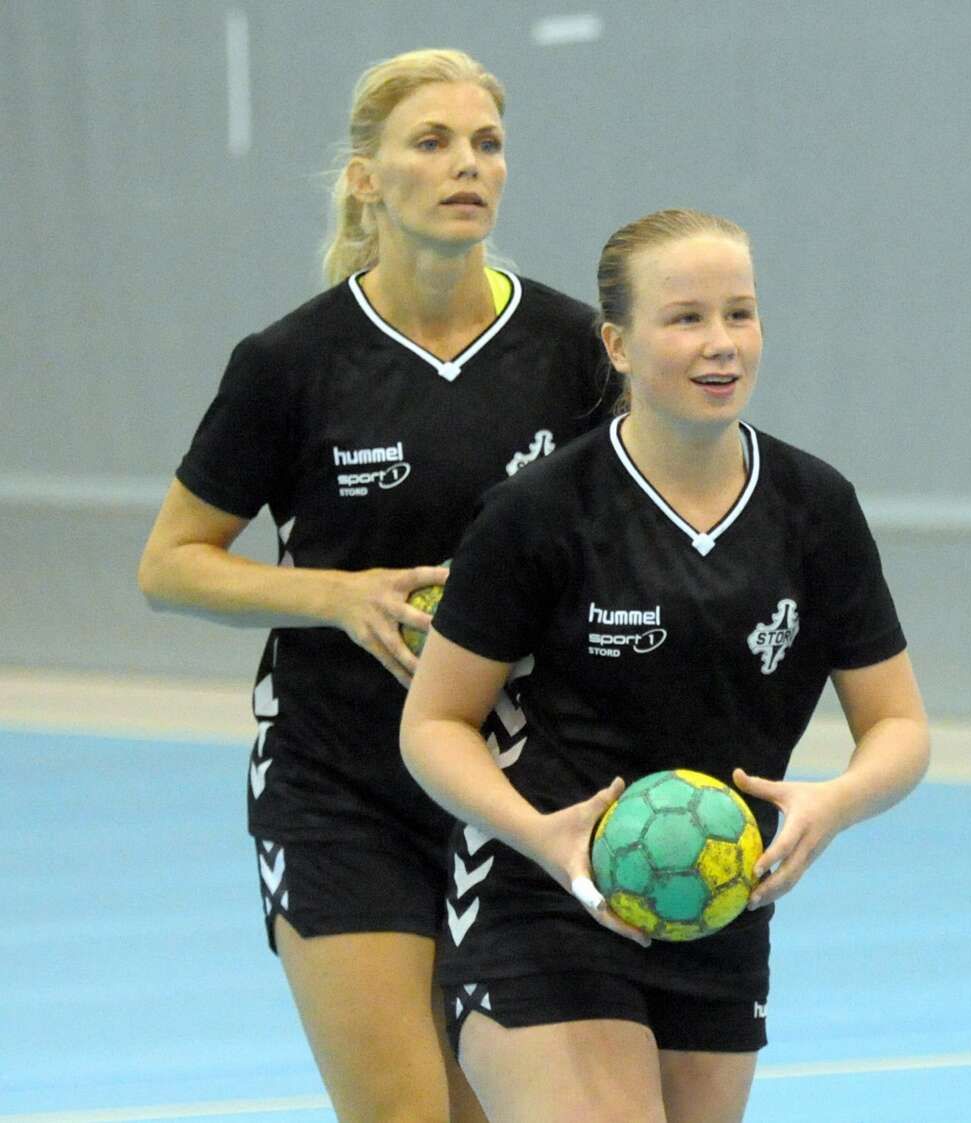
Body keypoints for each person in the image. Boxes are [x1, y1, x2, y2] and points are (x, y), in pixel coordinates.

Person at [137, 49, 615, 1122]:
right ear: (366, 178)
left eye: (486, 144)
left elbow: (620, 541)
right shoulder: (291, 363)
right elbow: (169, 563)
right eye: (431, 143)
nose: (466, 165)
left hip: (512, 789)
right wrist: (337, 596)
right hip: (339, 784)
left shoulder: (575, 352)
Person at [398, 207, 930, 1123]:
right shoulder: (539, 511)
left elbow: (900, 725)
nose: (721, 342)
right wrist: (543, 835)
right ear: (617, 344)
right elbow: (433, 725)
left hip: (720, 902)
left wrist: (835, 802)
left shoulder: (815, 505)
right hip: (547, 898)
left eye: (739, 313)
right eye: (686, 318)